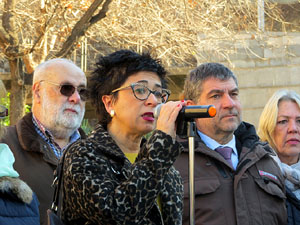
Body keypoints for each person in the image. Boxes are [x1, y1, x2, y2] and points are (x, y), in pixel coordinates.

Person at [61, 49, 184, 224]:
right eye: (140, 90)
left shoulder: (166, 166)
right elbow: (118, 215)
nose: (153, 101)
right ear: (109, 102)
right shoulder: (83, 155)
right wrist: (161, 145)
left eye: (158, 93)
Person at [173, 62, 287, 225]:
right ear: (192, 108)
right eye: (216, 96)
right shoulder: (174, 164)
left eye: (233, 94)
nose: (230, 103)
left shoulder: (266, 161)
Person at [0, 58, 87, 225]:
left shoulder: (100, 154)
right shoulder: (3, 148)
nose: (76, 98)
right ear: (38, 92)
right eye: (66, 89)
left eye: (82, 91)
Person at [258, 89, 300, 225]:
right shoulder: (254, 177)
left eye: (299, 121)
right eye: (283, 121)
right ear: (268, 128)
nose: (293, 128)